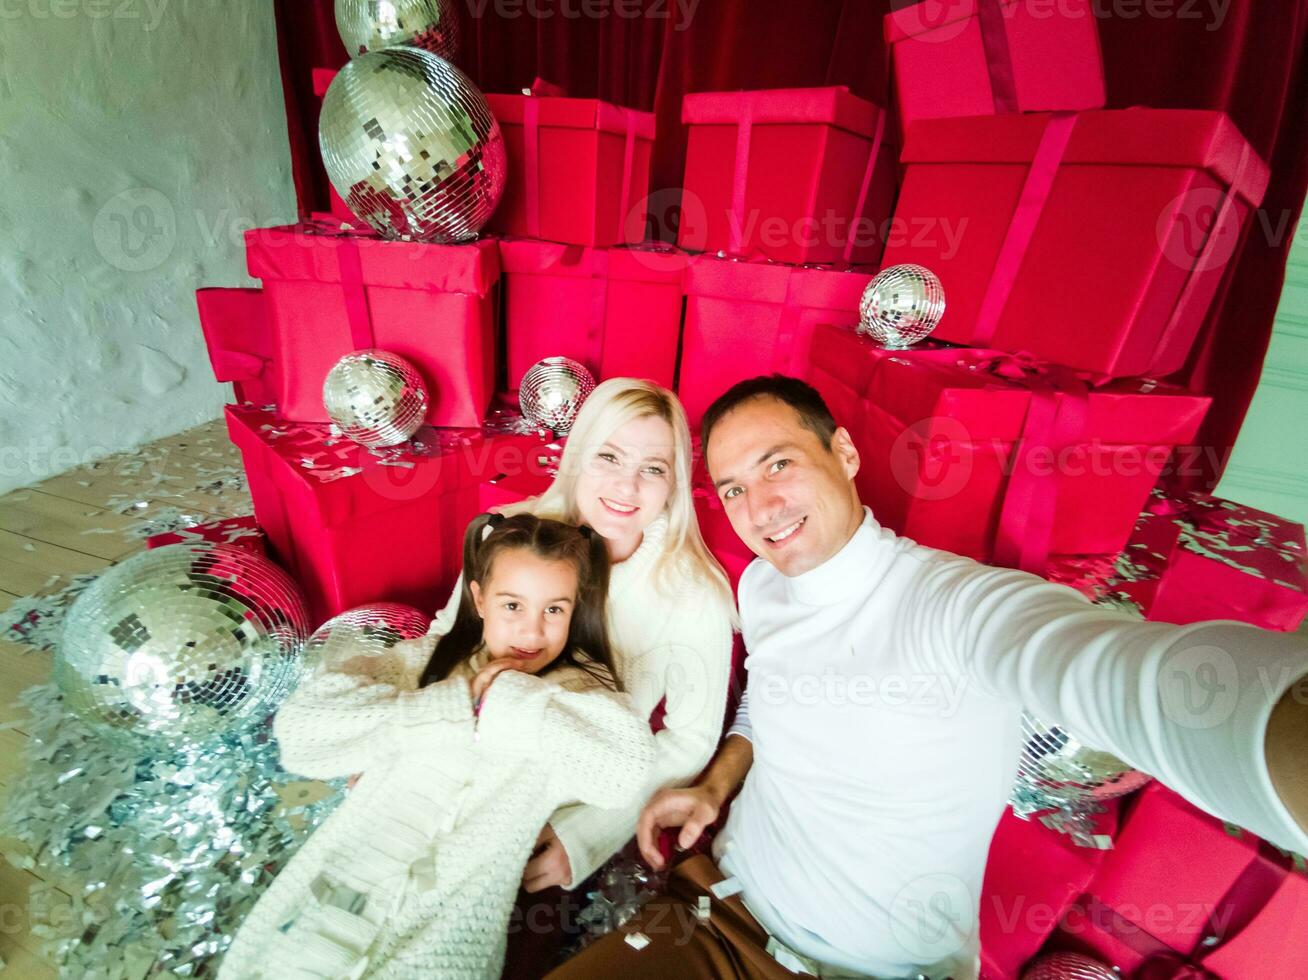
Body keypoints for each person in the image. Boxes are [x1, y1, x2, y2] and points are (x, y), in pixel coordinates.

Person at [548, 376, 1308, 980]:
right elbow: (769, 703)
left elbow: (1120, 674)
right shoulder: (762, 586)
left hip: (875, 970)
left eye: (778, 463)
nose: (762, 505)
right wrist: (715, 785)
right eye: (735, 488)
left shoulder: (953, 605)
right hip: (717, 911)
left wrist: (1275, 722)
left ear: (843, 453)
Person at [218, 514, 656, 980]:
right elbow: (301, 734)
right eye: (512, 606)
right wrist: (455, 708)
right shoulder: (424, 661)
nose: (532, 632)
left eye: (554, 610)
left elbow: (624, 770)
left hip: (442, 934)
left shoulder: (576, 697)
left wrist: (509, 699)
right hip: (320, 901)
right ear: (480, 600)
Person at [429, 378, 737, 902]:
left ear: (674, 484)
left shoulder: (693, 591)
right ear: (577, 455)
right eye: (609, 457)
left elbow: (688, 739)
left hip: (564, 803)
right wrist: (400, 746)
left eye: (653, 469)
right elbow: (444, 640)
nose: (627, 486)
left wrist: (585, 835)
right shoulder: (506, 534)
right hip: (453, 763)